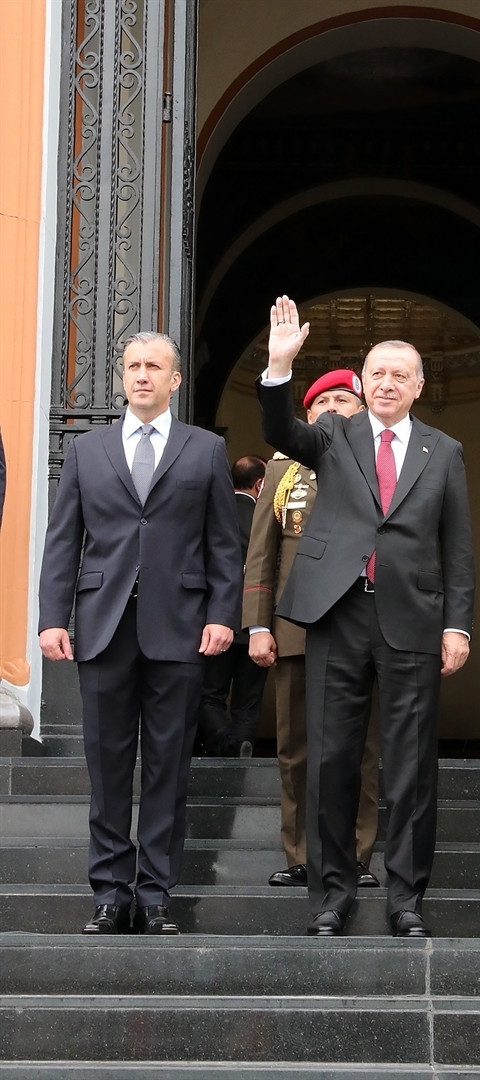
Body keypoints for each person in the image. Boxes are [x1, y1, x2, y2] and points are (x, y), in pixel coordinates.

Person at [257, 295, 475, 938]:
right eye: (376, 373)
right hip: (336, 613)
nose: (386, 383)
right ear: (362, 379)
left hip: (413, 617)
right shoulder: (332, 434)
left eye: (399, 375)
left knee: (409, 765)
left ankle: (406, 899)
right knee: (330, 759)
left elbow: (457, 546)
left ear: (418, 387)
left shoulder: (445, 451)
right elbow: (280, 433)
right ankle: (332, 895)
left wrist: (458, 624)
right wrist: (277, 368)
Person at [38, 331, 241, 935]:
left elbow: (224, 548)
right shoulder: (87, 449)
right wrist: (53, 616)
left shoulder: (204, 450)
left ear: (176, 380)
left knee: (167, 769)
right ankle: (109, 892)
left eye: (155, 366)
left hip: (179, 630)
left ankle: (155, 894)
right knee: (106, 768)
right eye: (133, 366)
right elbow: (62, 542)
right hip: (101, 628)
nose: (143, 375)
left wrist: (221, 615)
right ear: (121, 377)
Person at [242, 370, 380, 889]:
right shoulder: (283, 468)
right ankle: (300, 852)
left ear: (363, 408)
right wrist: (257, 626)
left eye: (343, 399)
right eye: (321, 401)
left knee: (362, 749)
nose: (331, 408)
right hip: (295, 624)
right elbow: (262, 553)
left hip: (360, 624)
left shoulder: (383, 462)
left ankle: (357, 854)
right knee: (294, 747)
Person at [196, 454, 268, 757]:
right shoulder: (266, 518)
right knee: (248, 699)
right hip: (257, 622)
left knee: (210, 695)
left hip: (215, 619)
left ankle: (225, 743)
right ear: (260, 484)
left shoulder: (214, 513)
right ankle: (241, 746)